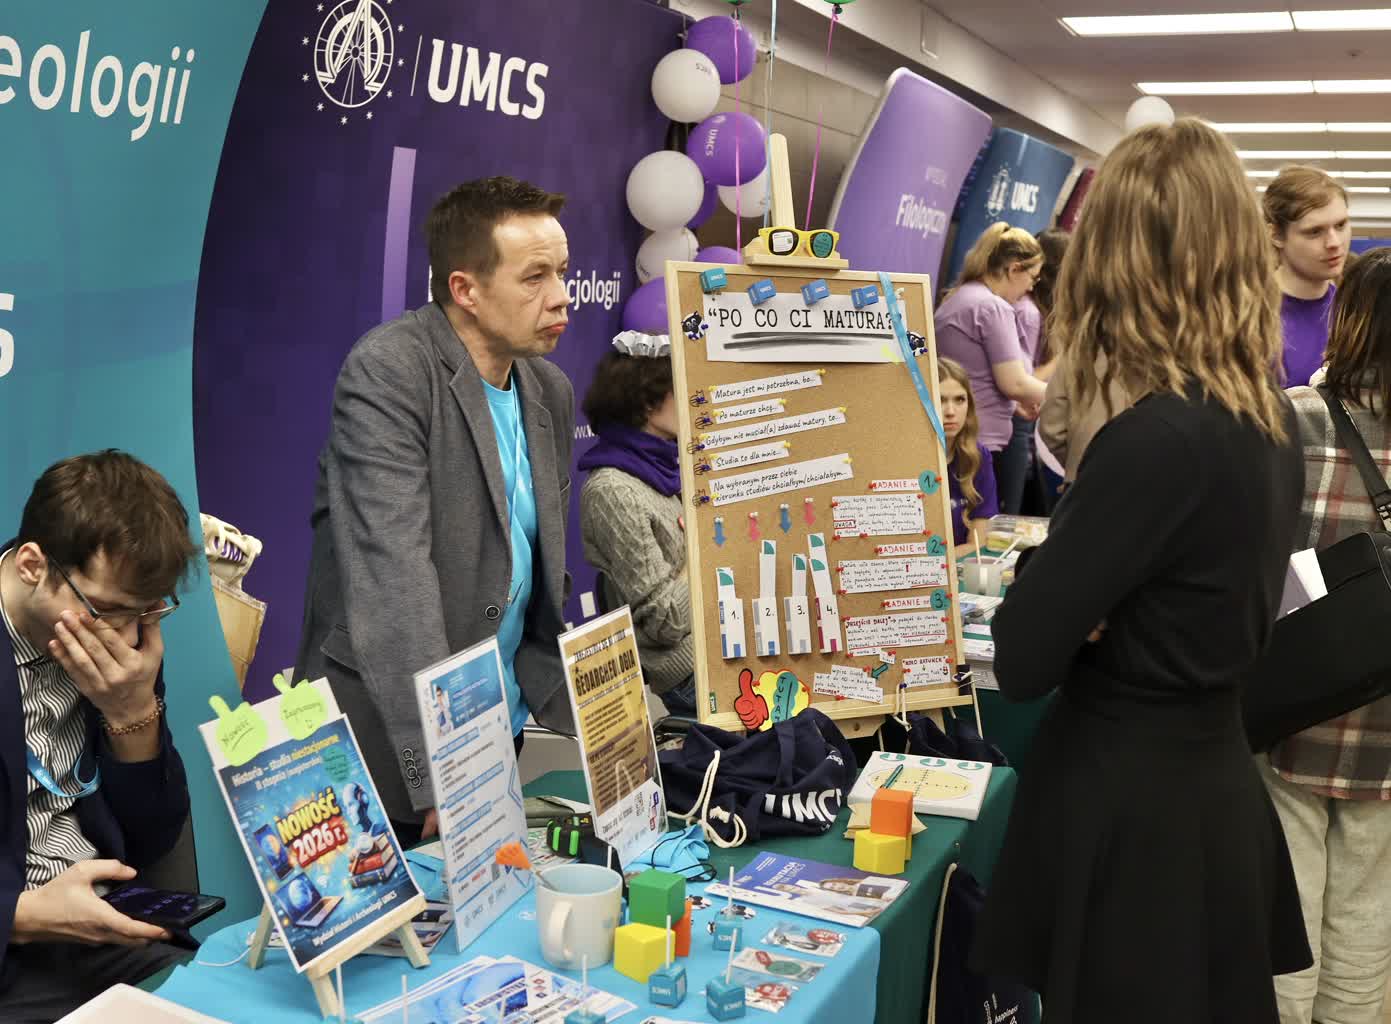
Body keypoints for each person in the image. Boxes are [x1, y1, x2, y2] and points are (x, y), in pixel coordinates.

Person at [973, 119, 1312, 1021]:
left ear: (1119, 260)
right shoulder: (1267, 419)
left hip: (1131, 814)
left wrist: (1055, 588)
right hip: (1207, 781)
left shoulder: (1156, 439)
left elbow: (1022, 654)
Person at [296, 176, 577, 844]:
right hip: (395, 738)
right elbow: (393, 584)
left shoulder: (550, 389)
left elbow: (533, 564)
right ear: (465, 290)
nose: (561, 295)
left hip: (496, 723)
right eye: (534, 277)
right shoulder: (390, 370)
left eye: (563, 272)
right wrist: (441, 772)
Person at [0, 450, 197, 1020]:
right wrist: (25, 916)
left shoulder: (120, 639)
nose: (128, 636)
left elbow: (156, 839)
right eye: (108, 610)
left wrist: (131, 711)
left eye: (147, 612)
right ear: (32, 566)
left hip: (104, 926)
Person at [1262, 248, 1391, 1024]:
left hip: (1297, 701)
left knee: (1284, 905)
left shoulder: (1295, 417)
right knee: (1368, 911)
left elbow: (1261, 564)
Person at [578, 337, 694, 714]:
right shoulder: (615, 490)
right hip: (688, 671)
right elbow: (665, 620)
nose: (691, 399)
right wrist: (703, 556)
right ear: (647, 402)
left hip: (714, 647)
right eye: (680, 389)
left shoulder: (662, 470)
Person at [935, 223, 1047, 515]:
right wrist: (1067, 398)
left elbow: (978, 374)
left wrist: (1013, 404)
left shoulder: (960, 297)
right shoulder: (991, 307)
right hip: (978, 444)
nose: (1031, 287)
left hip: (963, 440)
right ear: (1014, 269)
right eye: (1032, 277)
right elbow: (1015, 383)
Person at [1263, 165, 1351, 387]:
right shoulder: (1248, 317)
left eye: (1340, 225)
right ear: (1276, 235)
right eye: (1314, 231)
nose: (1334, 242)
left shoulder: (1353, 313)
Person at [1012, 227, 1071, 513]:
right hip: (1019, 425)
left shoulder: (1048, 311)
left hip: (1033, 422)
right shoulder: (1028, 312)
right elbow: (1022, 380)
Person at [937, 357, 998, 547]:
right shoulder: (906, 459)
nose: (950, 411)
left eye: (959, 400)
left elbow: (977, 545)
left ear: (969, 405)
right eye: (940, 400)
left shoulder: (979, 457)